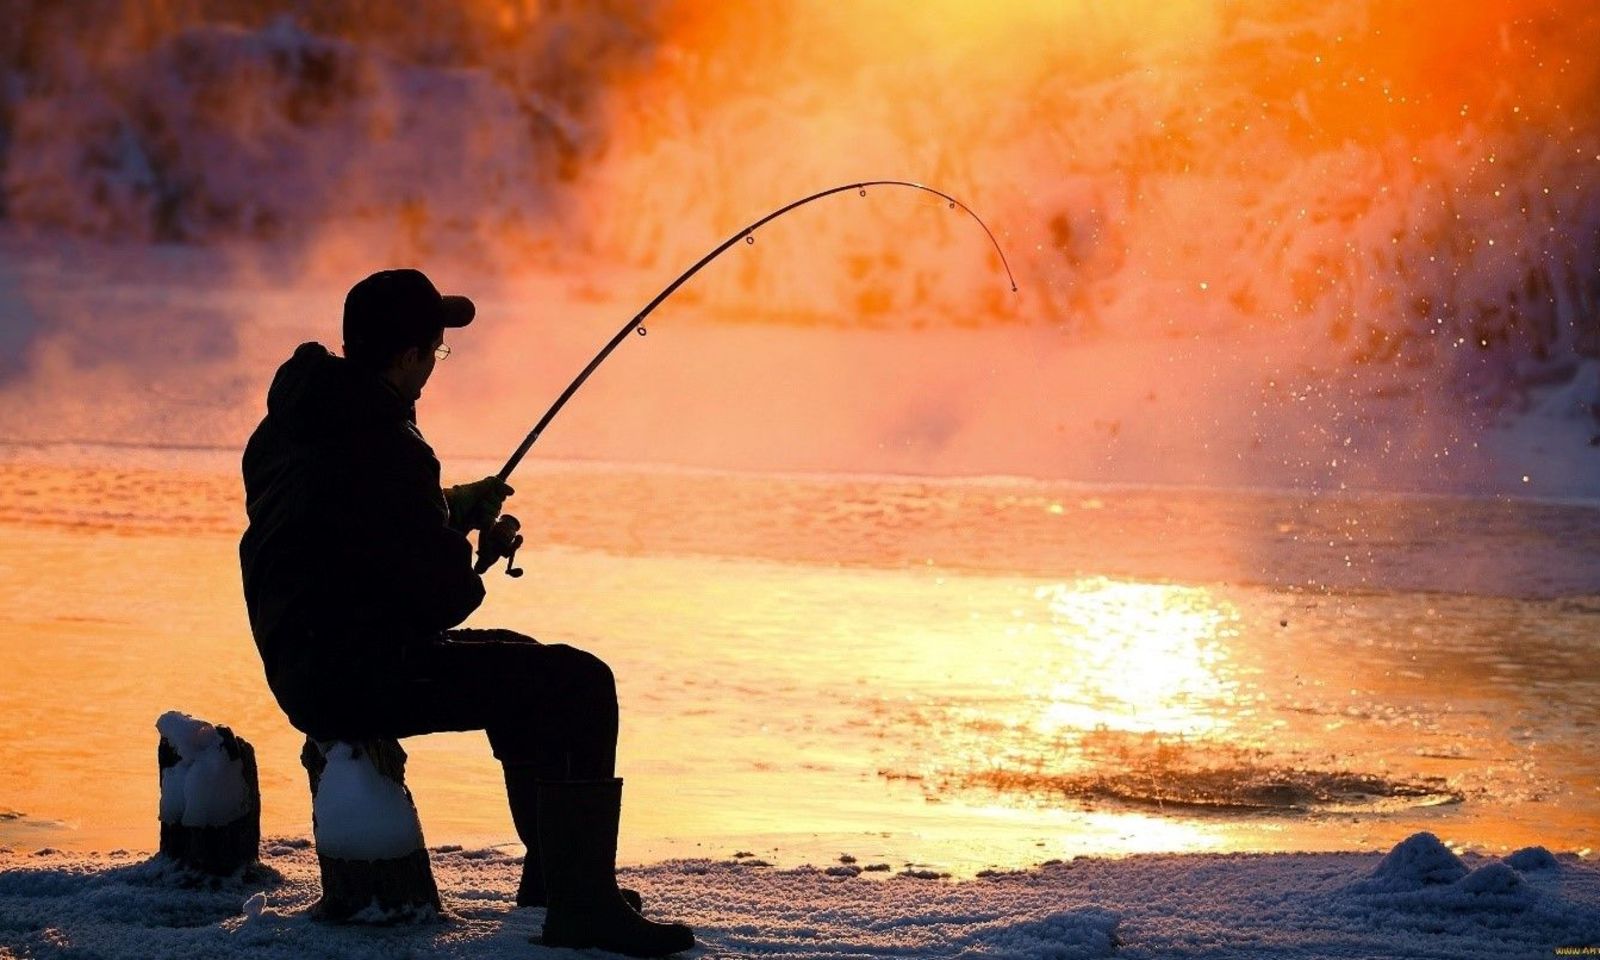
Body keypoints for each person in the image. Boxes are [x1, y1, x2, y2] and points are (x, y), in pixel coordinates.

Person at [239, 268, 694, 957]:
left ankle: (557, 883)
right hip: (351, 673)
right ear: (406, 356)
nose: (433, 368)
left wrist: (447, 508)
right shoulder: (388, 443)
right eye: (435, 351)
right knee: (579, 683)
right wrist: (475, 544)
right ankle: (581, 904)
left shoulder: (297, 422)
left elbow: (350, 525)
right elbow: (444, 598)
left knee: (522, 657)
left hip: (305, 654)